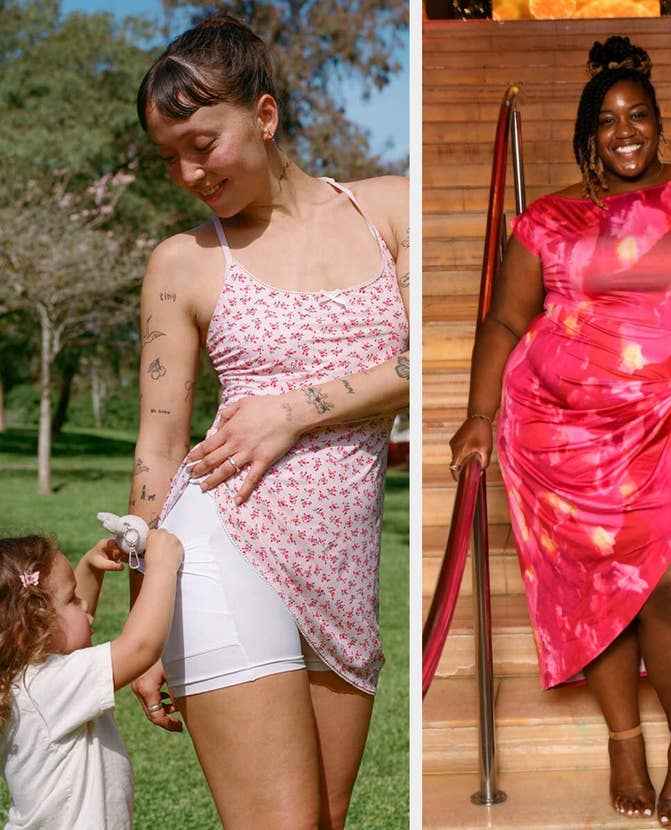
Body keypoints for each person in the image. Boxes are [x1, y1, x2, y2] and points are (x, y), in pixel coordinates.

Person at [449, 36, 671, 827]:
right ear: (587, 136)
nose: (624, 131)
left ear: (659, 123)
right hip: (558, 433)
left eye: (638, 116)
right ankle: (623, 741)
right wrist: (478, 414)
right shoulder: (549, 218)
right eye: (607, 121)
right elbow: (505, 320)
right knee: (594, 590)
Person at [128, 15, 409, 828]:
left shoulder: (389, 211)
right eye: (168, 155)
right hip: (222, 545)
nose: (186, 171)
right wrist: (145, 606)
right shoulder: (184, 262)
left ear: (265, 115)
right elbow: (159, 442)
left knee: (324, 815)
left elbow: (429, 361)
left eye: (201, 142)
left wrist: (292, 410)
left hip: (345, 569)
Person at [0, 531, 183, 828]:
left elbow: (70, 636)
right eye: (73, 599)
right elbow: (141, 647)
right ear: (33, 628)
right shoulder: (44, 688)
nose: (84, 606)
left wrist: (89, 568)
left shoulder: (26, 679)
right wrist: (163, 564)